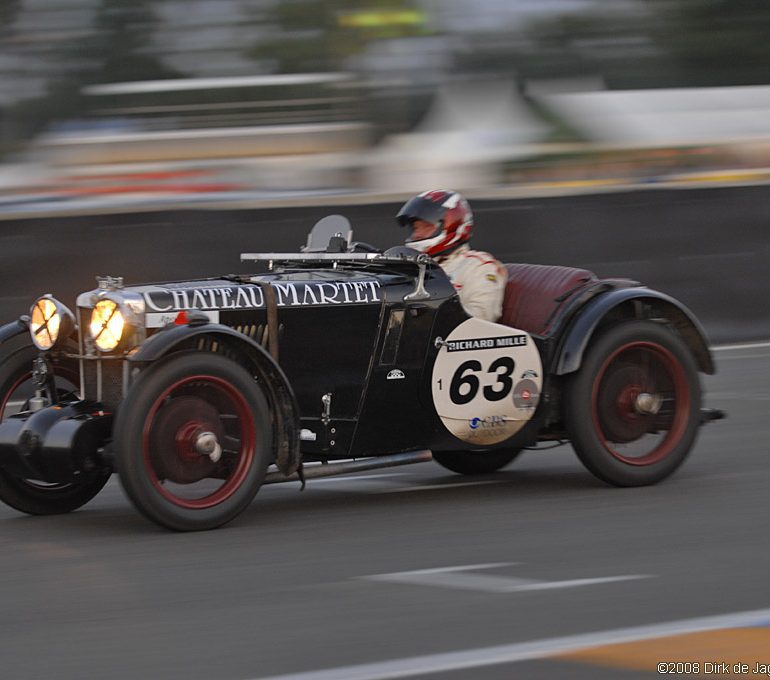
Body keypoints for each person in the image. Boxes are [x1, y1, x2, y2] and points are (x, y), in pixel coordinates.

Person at [396, 189, 507, 322]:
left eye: (426, 226)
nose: (417, 234)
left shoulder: (478, 266)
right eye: (416, 228)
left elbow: (482, 317)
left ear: (451, 225)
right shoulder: (414, 267)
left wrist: (429, 316)